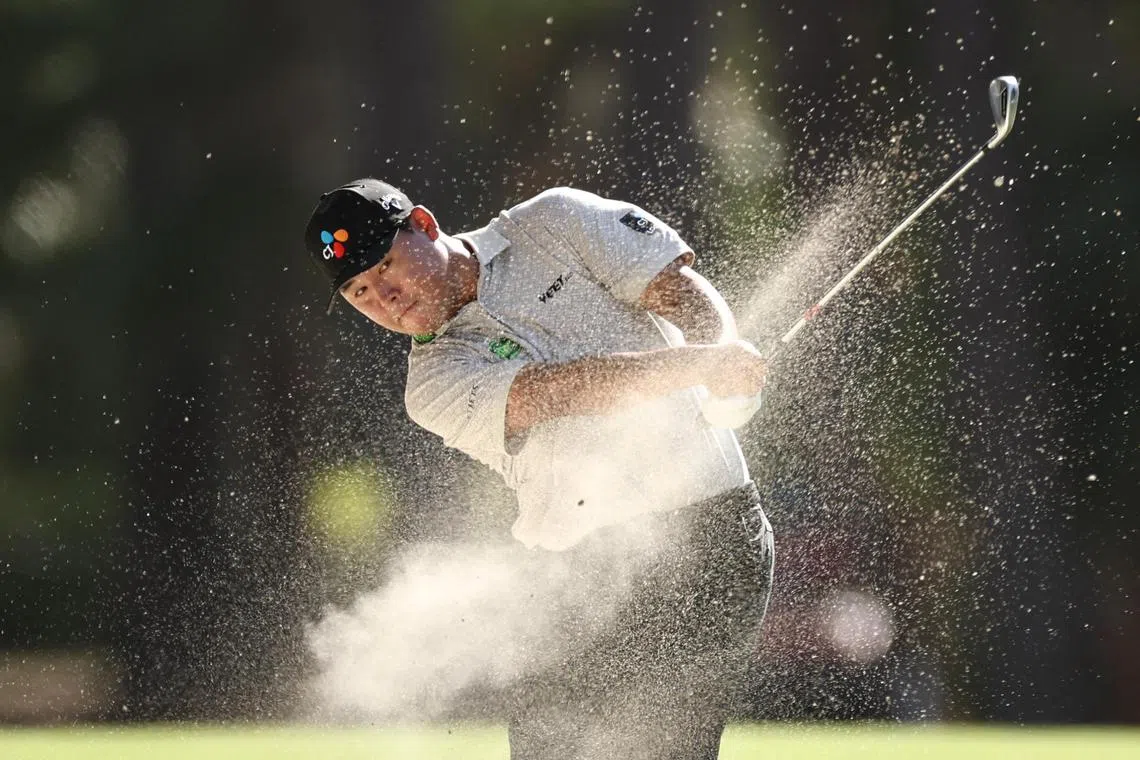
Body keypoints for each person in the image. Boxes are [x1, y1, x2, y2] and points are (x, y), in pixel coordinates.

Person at [304, 178, 774, 760]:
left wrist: (724, 361)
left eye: (387, 266)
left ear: (423, 226)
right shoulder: (431, 384)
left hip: (709, 535)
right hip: (570, 575)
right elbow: (565, 391)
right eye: (360, 292)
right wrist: (700, 366)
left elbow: (677, 291)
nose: (385, 298)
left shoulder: (554, 221)